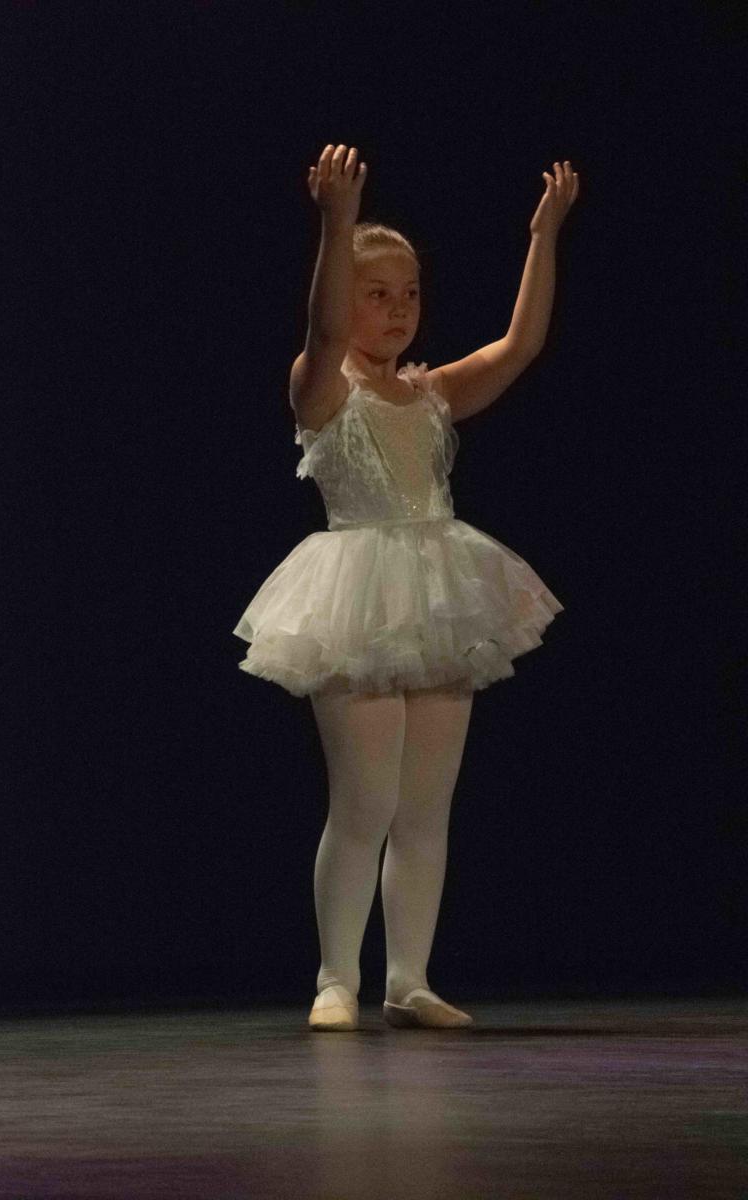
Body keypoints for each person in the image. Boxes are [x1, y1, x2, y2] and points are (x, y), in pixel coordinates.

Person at [233, 143, 579, 1031]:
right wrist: (337, 222)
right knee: (366, 802)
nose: (396, 310)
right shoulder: (322, 391)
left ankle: (409, 978)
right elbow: (321, 336)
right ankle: (334, 978)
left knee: (426, 806)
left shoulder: (431, 394)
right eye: (376, 295)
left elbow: (520, 345)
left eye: (409, 295)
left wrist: (543, 236)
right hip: (356, 593)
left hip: (439, 591)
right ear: (344, 298)